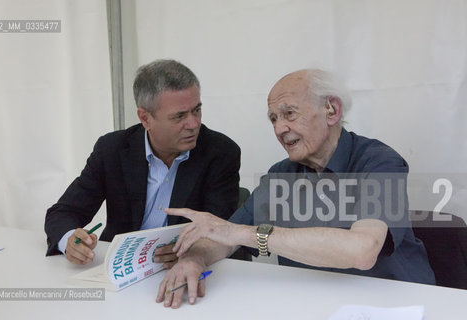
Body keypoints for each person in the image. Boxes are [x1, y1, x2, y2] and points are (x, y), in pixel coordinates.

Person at [156, 69, 435, 309]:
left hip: (393, 303)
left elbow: (362, 250)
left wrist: (239, 233)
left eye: (289, 113)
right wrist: (194, 258)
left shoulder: (379, 161)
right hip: (315, 303)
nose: (279, 129)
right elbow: (223, 238)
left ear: (332, 110)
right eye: (273, 119)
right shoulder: (282, 175)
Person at [44, 59, 241, 267]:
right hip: (121, 267)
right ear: (145, 118)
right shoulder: (112, 149)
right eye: (180, 116)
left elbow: (220, 229)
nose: (193, 124)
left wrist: (191, 251)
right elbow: (64, 212)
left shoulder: (220, 152)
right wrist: (69, 241)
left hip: (183, 268)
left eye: (197, 110)